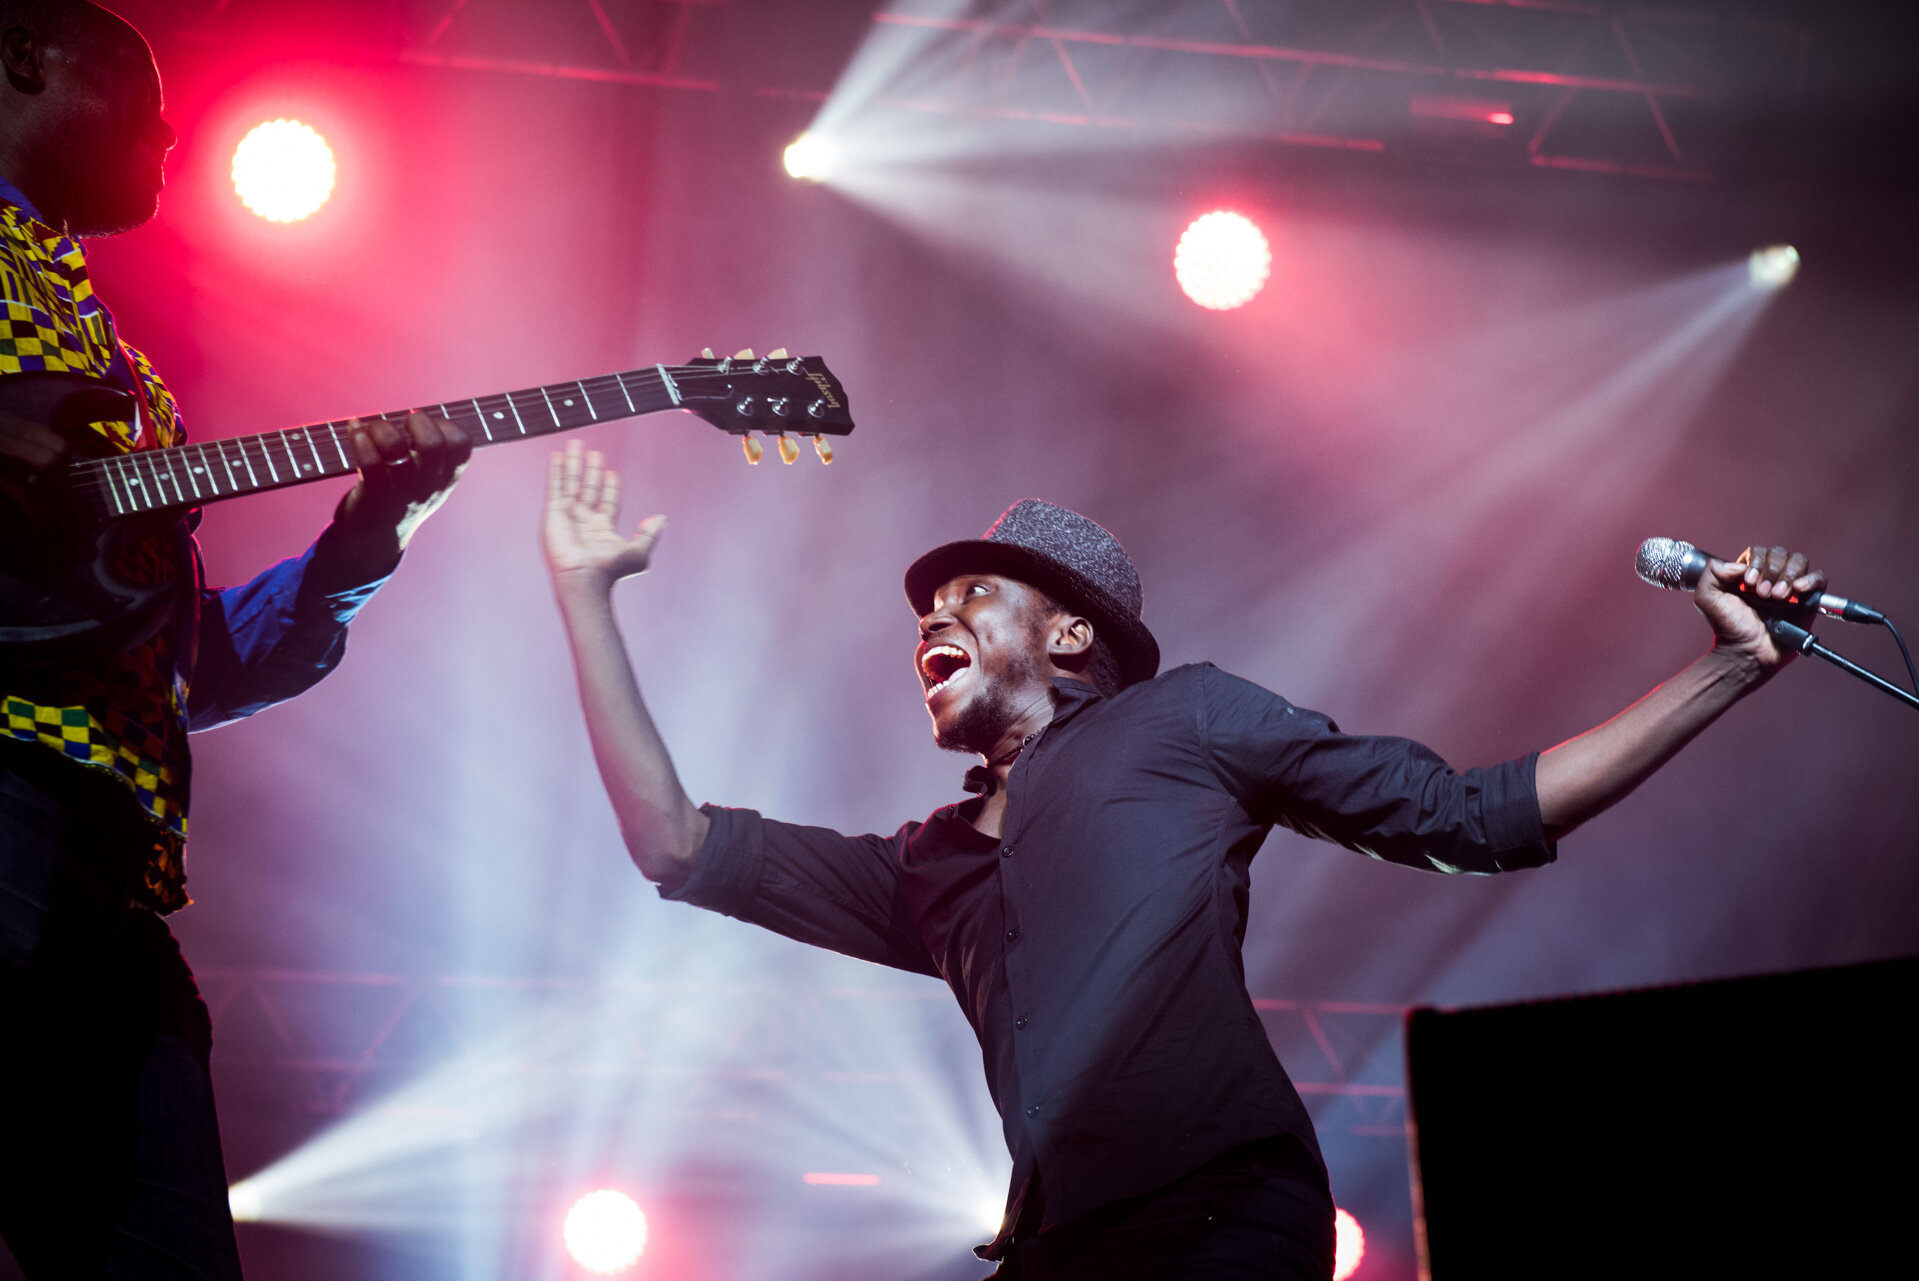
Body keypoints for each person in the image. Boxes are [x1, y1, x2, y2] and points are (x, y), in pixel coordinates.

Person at [543, 439, 1823, 1281]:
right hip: (1057, 1248)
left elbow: (1473, 816)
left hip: (1214, 1220)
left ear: (1064, 633)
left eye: (973, 598)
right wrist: (585, 599)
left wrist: (1724, 666)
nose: (931, 617)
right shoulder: (920, 870)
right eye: (929, 612)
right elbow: (674, 843)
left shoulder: (1184, 720)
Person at [0, 3, 470, 1275]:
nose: (167, 133)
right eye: (141, 96)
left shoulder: (126, 380)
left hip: (108, 863)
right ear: (28, 58)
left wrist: (370, 535)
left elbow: (190, 670)